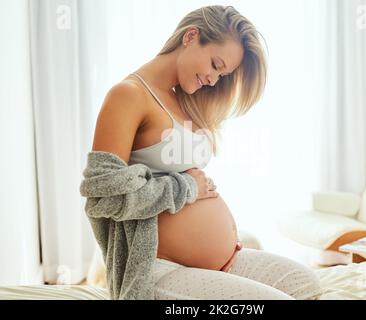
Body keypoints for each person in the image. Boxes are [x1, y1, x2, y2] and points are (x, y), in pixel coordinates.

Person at [89, 5, 322, 300]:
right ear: (191, 36)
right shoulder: (128, 95)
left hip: (219, 262)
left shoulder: (184, 101)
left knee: (306, 284)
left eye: (222, 74)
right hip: (158, 268)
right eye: (215, 64)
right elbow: (101, 196)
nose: (213, 79)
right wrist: (187, 187)